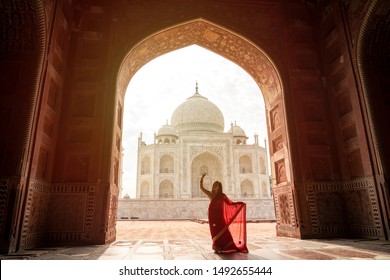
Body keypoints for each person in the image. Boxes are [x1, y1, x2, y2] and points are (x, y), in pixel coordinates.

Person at [200, 172, 248, 254]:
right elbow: (202, 188)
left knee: (223, 230)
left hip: (219, 216)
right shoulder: (211, 194)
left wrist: (239, 205)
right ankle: (216, 246)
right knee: (214, 231)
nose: (215, 187)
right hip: (212, 216)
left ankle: (224, 246)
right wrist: (202, 178)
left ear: (219, 187)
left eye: (217, 186)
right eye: (214, 186)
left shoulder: (222, 195)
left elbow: (230, 204)